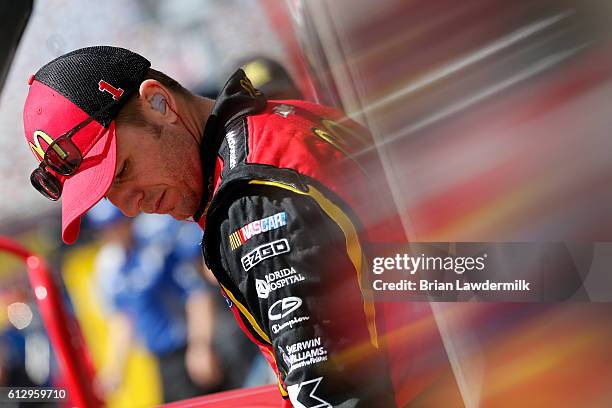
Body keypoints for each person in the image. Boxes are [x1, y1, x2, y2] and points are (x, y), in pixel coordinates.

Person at [23, 46, 406, 407]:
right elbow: (435, 273)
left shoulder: (249, 202)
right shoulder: (285, 120)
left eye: (123, 171)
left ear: (159, 103)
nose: (127, 205)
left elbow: (329, 392)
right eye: (107, 195)